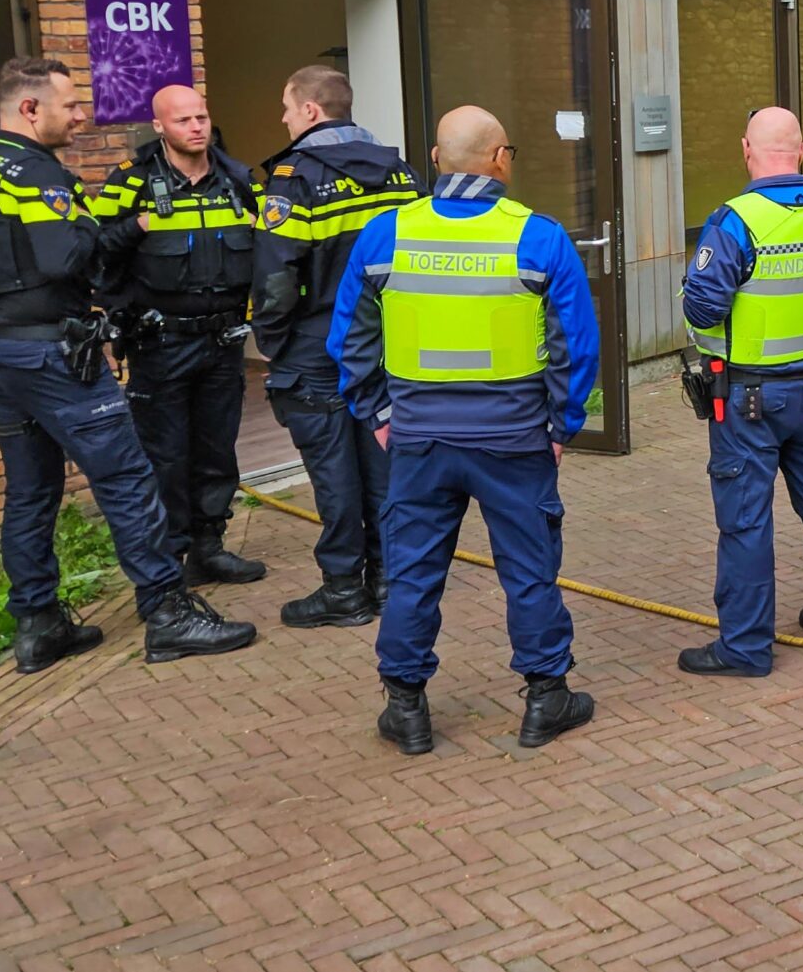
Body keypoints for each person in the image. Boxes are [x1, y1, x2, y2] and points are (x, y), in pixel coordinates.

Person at [0, 58, 256, 670]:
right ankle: (167, 612)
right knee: (129, 478)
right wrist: (98, 225)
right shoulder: (37, 174)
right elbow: (72, 260)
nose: (82, 116)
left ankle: (38, 623)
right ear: (30, 109)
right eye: (70, 105)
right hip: (49, 353)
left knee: (31, 490)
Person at [328, 105, 600, 753]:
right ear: (500, 157)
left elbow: (350, 339)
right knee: (529, 572)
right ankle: (544, 697)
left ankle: (406, 707)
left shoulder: (384, 235)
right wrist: (560, 424)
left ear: (435, 156)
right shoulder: (538, 237)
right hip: (514, 441)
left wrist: (381, 415)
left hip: (420, 441)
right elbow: (576, 346)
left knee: (413, 571)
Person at [677, 107, 803, 677]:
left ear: (747, 149)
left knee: (746, 520)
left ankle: (744, 648)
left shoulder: (734, 222)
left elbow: (703, 306)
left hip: (747, 399)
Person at [252, 66, 420, 630]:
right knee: (382, 460)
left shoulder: (294, 178)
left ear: (310, 111)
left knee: (332, 468)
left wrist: (272, 341)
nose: (282, 118)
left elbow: (277, 277)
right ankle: (392, 580)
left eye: (286, 106)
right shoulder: (400, 173)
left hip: (316, 343)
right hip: (387, 341)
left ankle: (344, 589)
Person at [90, 84, 267, 586]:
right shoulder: (132, 182)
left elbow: (265, 247)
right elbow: (97, 253)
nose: (196, 126)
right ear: (160, 127)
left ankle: (209, 548)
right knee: (165, 455)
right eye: (184, 119)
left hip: (223, 341)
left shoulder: (236, 179)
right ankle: (169, 560)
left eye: (202, 117)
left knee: (216, 451)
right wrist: (138, 226)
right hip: (160, 343)